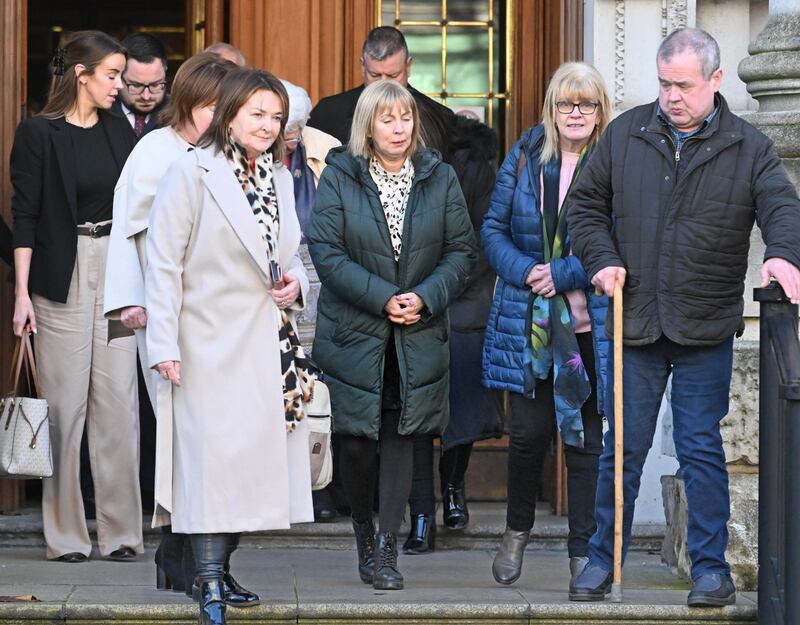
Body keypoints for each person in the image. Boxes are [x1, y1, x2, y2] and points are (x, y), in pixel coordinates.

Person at [567, 28, 800, 608]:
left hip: (704, 324)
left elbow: (781, 206)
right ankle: (601, 561)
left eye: (684, 85)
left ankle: (711, 570)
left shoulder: (748, 146)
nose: (672, 96)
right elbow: (584, 209)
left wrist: (782, 254)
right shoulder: (625, 134)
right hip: (637, 320)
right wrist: (602, 259)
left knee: (700, 449)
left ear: (715, 81)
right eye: (665, 83)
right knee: (621, 450)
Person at [145, 68, 314, 625]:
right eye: (257, 114)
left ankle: (222, 569)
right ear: (230, 115)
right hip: (204, 341)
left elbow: (287, 256)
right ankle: (208, 581)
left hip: (268, 341)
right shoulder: (190, 172)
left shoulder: (279, 177)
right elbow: (163, 263)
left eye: (275, 117)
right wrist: (163, 342)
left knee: (250, 466)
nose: (268, 126)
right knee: (211, 464)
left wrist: (297, 283)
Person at [308, 79, 477, 591]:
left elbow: (462, 252)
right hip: (357, 332)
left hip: (417, 332)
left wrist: (423, 297)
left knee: (405, 439)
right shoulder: (341, 175)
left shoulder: (440, 176)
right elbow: (327, 251)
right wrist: (383, 298)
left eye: (405, 118)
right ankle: (363, 534)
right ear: (368, 125)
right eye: (387, 119)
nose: (399, 128)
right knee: (358, 445)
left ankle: (387, 548)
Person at [103, 52, 241, 602]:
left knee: (223, 443)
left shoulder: (226, 153)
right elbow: (129, 230)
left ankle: (210, 560)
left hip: (219, 316)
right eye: (213, 106)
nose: (222, 117)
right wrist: (131, 301)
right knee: (185, 438)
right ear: (187, 102)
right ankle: (180, 555)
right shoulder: (155, 149)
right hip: (165, 314)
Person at [10, 30, 141, 563]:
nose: (120, 84)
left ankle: (123, 534)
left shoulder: (120, 129)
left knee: (120, 405)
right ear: (81, 74)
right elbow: (26, 215)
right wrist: (21, 294)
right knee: (64, 409)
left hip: (119, 272)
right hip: (61, 275)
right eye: (112, 74)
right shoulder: (38, 133)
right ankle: (65, 537)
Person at [482, 61, 612, 588]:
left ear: (601, 111)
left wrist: (563, 273)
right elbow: (493, 229)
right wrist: (528, 272)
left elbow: (620, 239)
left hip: (585, 327)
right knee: (529, 435)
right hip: (528, 323)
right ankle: (516, 532)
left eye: (586, 104)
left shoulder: (613, 159)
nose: (575, 113)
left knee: (584, 442)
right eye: (565, 103)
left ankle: (582, 552)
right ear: (551, 109)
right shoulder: (526, 154)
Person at [402, 113, 504, 555]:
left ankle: (439, 502)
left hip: (446, 298)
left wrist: (434, 286)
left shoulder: (466, 167)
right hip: (434, 301)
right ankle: (438, 504)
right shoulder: (413, 167)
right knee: (436, 409)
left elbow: (483, 239)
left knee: (441, 408)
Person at [279, 79, 342, 522]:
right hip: (274, 271)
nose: (289, 138)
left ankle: (316, 485)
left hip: (319, 266)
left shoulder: (326, 149)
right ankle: (274, 487)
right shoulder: (244, 151)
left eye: (295, 129)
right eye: (285, 128)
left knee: (315, 379)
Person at [308, 26, 452, 156]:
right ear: (363, 66)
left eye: (393, 76)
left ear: (408, 66)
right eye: (375, 75)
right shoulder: (328, 112)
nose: (383, 83)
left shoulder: (438, 117)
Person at [113, 33, 168, 138]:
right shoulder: (98, 115)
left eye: (155, 85)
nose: (146, 96)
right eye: (136, 86)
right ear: (118, 76)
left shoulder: (179, 115)